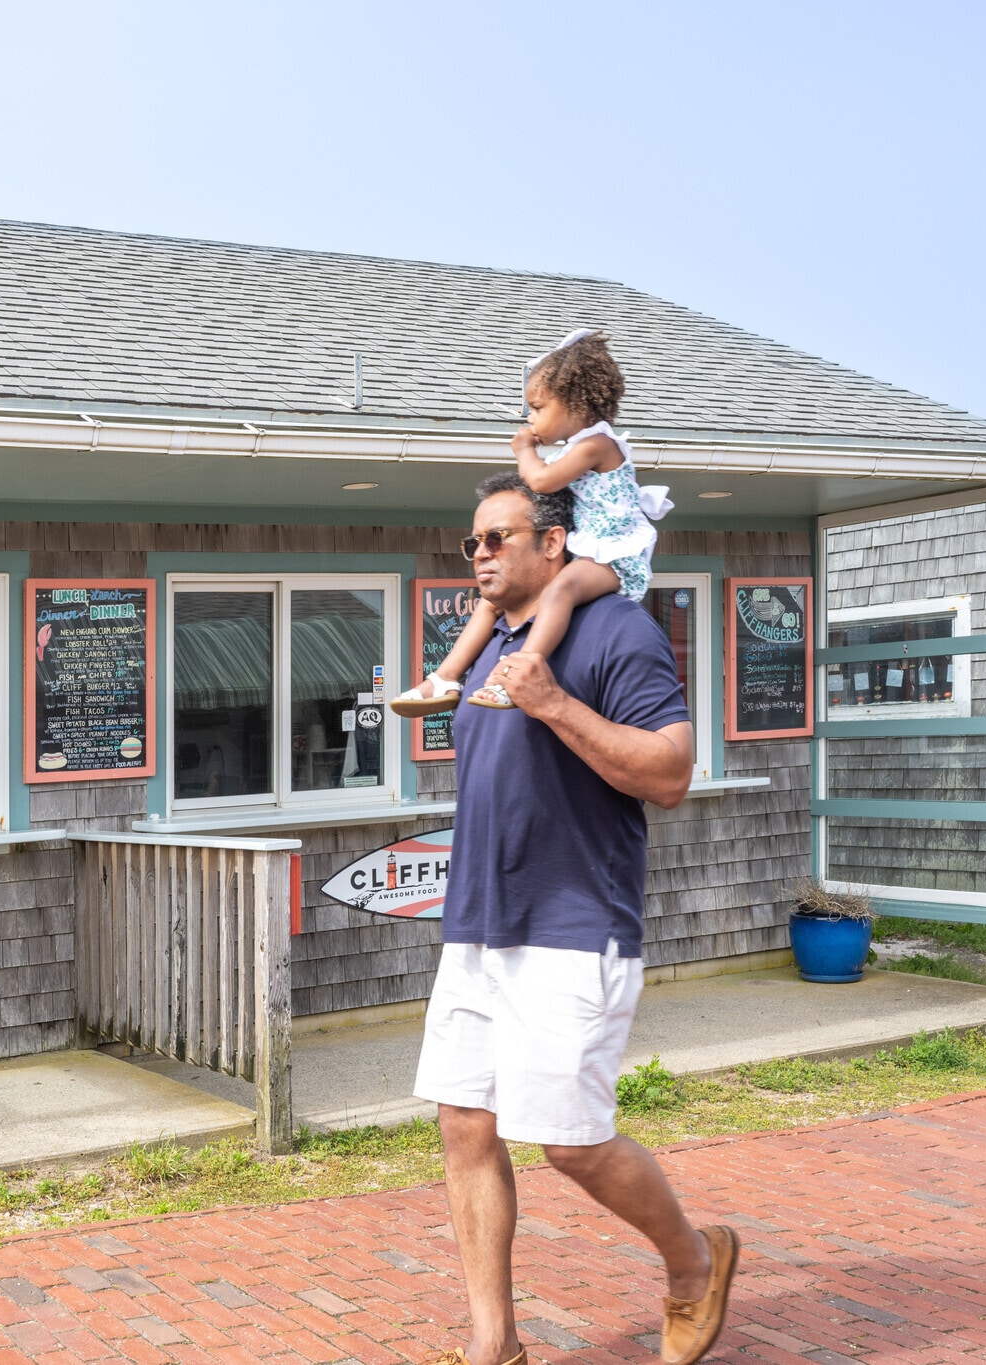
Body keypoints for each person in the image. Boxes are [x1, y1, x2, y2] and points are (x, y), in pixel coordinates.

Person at [409, 474, 736, 1365]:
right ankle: (494, 1345)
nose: (478, 553)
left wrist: (552, 700)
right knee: (464, 1124)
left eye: (498, 537)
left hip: (572, 922)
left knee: (569, 1141)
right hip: (478, 924)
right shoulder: (486, 649)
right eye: (471, 541)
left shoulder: (615, 629)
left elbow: (669, 771)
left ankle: (695, 1260)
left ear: (554, 544)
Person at [391, 330, 671, 717]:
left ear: (575, 402)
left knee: (561, 591)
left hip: (614, 558)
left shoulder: (598, 445)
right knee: (489, 606)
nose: (530, 417)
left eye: (538, 407)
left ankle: (522, 669)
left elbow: (539, 481)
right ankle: (446, 677)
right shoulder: (578, 448)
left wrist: (525, 449)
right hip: (586, 547)